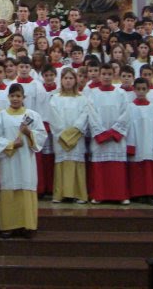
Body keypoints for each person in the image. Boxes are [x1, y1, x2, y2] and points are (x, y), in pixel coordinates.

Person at [0, 84, 47, 238]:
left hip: (26, 160)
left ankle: (27, 226)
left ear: (24, 98)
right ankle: (8, 226)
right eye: (12, 96)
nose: (15, 99)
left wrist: (29, 133)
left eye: (18, 96)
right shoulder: (1, 116)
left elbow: (41, 135)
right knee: (10, 188)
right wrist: (11, 144)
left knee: (26, 187)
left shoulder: (32, 115)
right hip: (9, 161)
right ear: (8, 97)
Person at [87, 63, 130, 205]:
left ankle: (120, 195)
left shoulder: (121, 93)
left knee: (117, 170)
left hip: (116, 139)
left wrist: (114, 131)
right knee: (100, 168)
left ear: (113, 75)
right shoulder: (93, 93)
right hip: (101, 139)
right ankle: (99, 195)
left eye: (109, 74)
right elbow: (91, 114)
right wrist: (102, 133)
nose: (106, 77)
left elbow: (126, 114)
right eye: (103, 74)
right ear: (99, 75)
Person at [47, 68, 89, 204]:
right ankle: (60, 194)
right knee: (62, 162)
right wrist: (65, 134)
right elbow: (54, 118)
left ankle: (79, 194)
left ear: (76, 80)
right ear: (61, 80)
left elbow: (85, 115)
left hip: (77, 137)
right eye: (65, 78)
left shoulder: (82, 98)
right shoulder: (55, 98)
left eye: (71, 78)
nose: (68, 81)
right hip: (61, 138)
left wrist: (74, 131)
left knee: (76, 161)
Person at [126, 78, 153, 206]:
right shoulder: (129, 107)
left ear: (148, 90)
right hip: (136, 143)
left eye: (143, 89)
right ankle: (137, 194)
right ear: (134, 89)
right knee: (136, 170)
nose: (141, 92)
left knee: (149, 169)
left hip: (149, 143)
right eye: (138, 89)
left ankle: (151, 193)